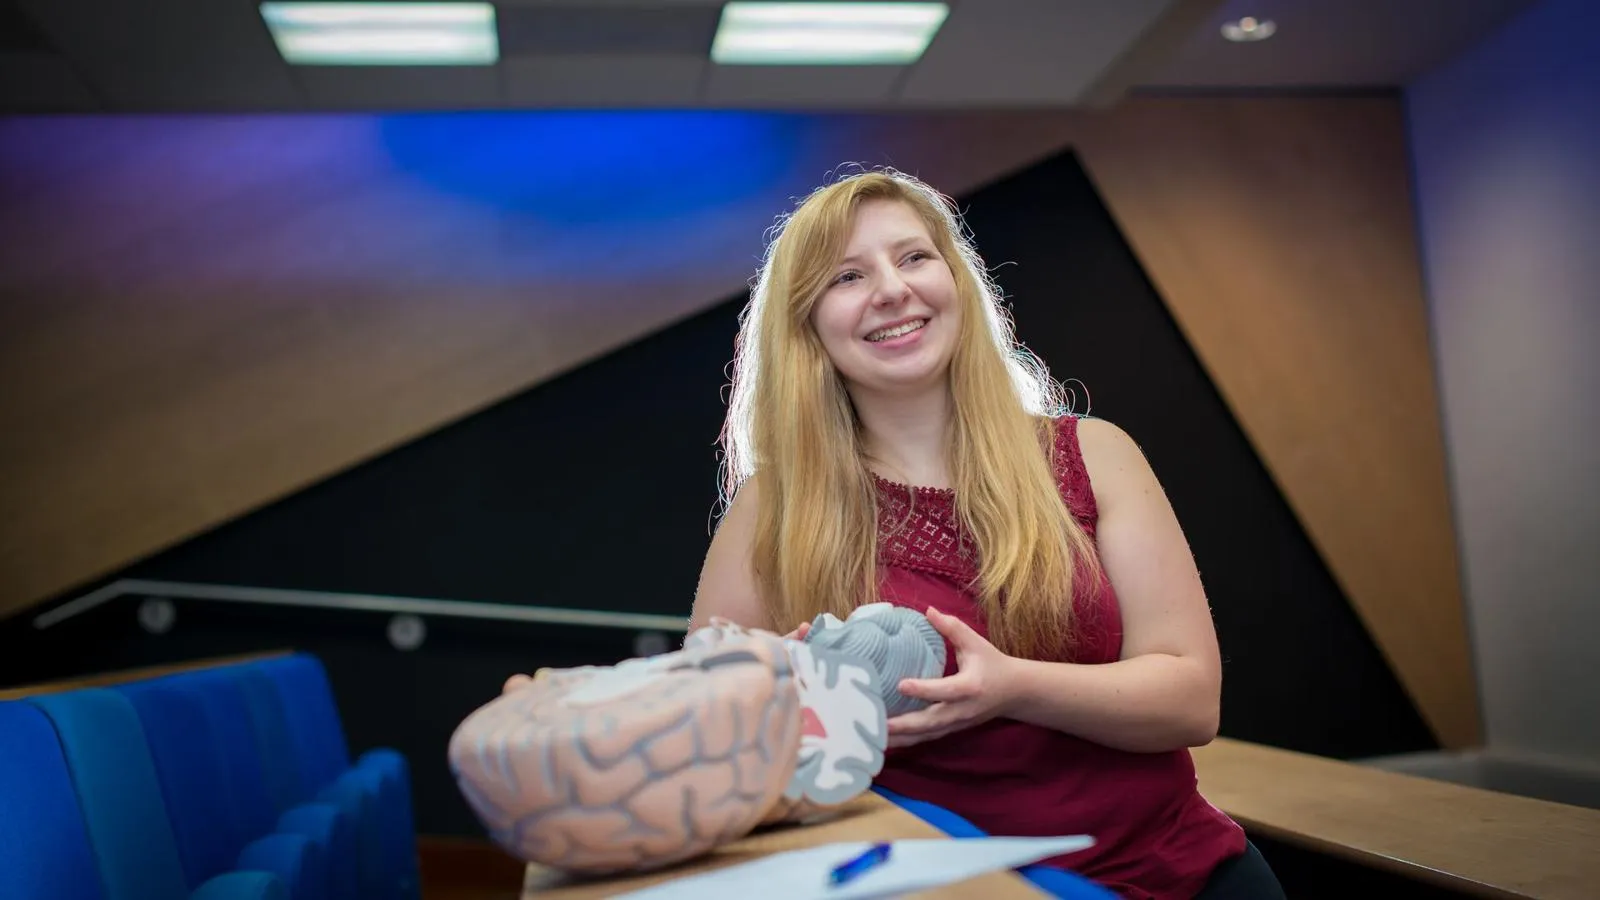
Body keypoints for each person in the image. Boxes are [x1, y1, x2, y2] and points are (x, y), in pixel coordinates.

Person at [687, 168, 1286, 900]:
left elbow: (1191, 703)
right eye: (847, 276)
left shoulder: (1095, 455)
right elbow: (704, 742)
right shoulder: (771, 508)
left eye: (913, 257)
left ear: (957, 281)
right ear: (806, 326)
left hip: (1178, 879)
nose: (891, 289)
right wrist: (778, 704)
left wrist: (1011, 688)